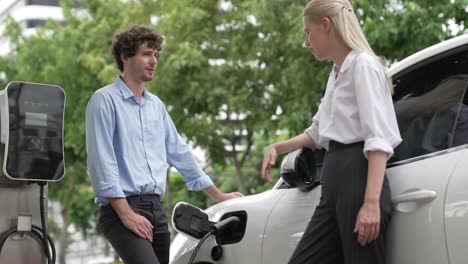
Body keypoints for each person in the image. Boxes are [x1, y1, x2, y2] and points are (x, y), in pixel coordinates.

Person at [85, 25, 243, 264]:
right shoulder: (104, 101)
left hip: (156, 210)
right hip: (122, 209)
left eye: (156, 54)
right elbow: (101, 161)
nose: (154, 60)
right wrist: (126, 213)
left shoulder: (155, 106)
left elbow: (180, 152)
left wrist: (218, 195)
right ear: (125, 57)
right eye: (146, 53)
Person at [261, 1, 402, 263]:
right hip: (334, 185)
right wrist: (278, 147)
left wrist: (370, 203)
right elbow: (318, 132)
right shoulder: (337, 73)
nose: (306, 41)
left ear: (326, 25)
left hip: (357, 179)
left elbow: (378, 138)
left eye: (307, 31)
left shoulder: (363, 66)